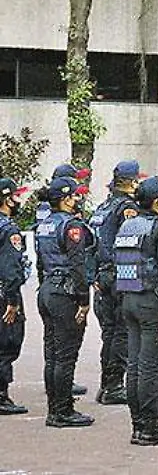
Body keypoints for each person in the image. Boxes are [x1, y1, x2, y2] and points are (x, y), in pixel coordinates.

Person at [116, 176, 158, 446]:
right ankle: (150, 426)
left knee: (134, 364)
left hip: (129, 299)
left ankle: (138, 423)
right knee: (150, 366)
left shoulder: (128, 225)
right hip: (152, 303)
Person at [35, 177, 94, 427]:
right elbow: (78, 265)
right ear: (66, 198)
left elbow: (40, 261)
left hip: (47, 288)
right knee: (66, 355)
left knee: (52, 355)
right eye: (74, 195)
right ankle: (62, 411)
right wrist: (83, 299)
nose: (78, 199)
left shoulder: (45, 224)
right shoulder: (72, 226)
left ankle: (55, 407)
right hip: (65, 293)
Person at [89, 160, 144, 405]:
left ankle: (107, 385)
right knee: (121, 333)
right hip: (119, 276)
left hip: (103, 275)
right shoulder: (126, 208)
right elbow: (131, 242)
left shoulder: (103, 207)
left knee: (110, 333)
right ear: (131, 182)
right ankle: (113, 385)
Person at [0, 178, 31, 415]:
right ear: (7, 198)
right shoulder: (9, 230)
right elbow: (10, 269)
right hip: (4, 294)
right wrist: (12, 301)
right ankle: (1, 395)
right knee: (7, 343)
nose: (19, 200)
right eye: (16, 196)